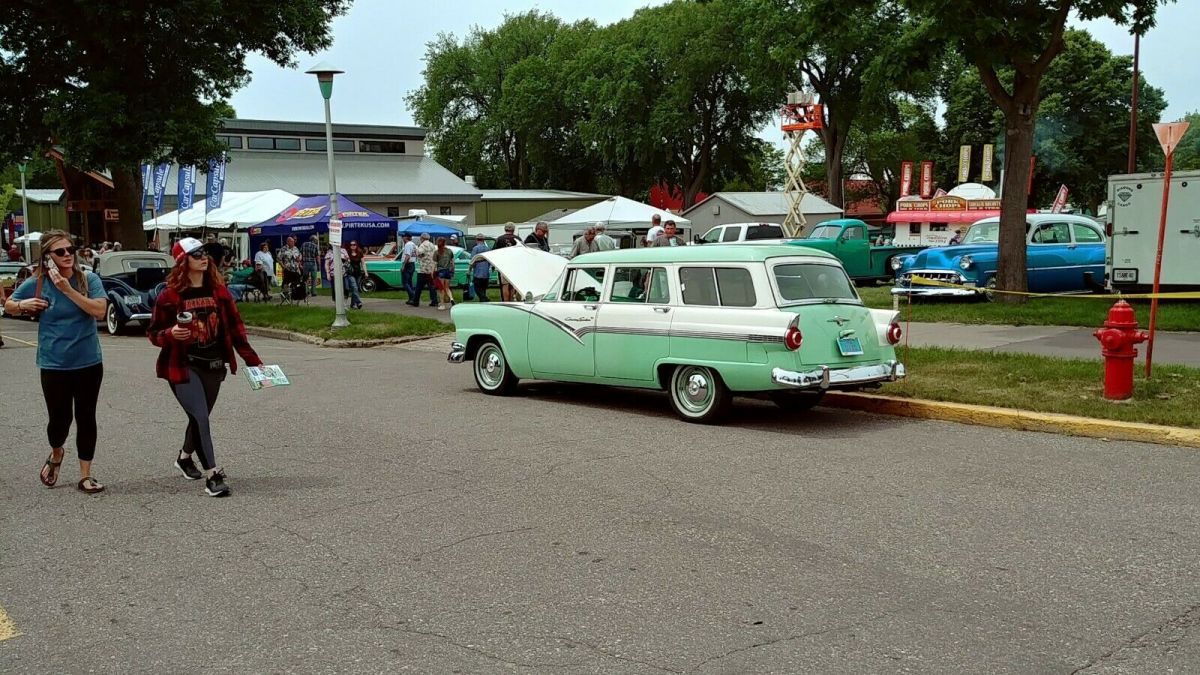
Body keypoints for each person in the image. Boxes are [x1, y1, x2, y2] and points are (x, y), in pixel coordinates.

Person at [148, 237, 263, 498]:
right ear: (183, 261)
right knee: (200, 416)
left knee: (198, 418)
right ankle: (212, 475)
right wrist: (170, 333)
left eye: (205, 253)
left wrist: (253, 360)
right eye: (196, 254)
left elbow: (236, 329)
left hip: (214, 365)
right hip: (182, 365)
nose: (204, 258)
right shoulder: (169, 296)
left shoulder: (219, 292)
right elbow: (153, 333)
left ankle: (184, 458)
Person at [4, 230, 109, 494]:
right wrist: (24, 304)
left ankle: (85, 475)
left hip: (88, 361)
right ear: (47, 257)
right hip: (54, 363)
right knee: (59, 420)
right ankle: (57, 452)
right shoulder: (38, 282)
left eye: (70, 250)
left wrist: (67, 289)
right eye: (60, 252)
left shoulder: (88, 279)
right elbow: (9, 305)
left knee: (86, 417)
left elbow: (99, 311)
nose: (67, 255)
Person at [492, 223, 521, 301]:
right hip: (515, 266)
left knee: (505, 285)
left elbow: (493, 252)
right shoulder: (518, 239)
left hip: (503, 265)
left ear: (505, 229)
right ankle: (511, 301)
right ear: (513, 229)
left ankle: (506, 302)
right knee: (512, 285)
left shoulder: (499, 239)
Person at [408, 233, 438, 308]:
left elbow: (419, 253)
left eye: (420, 238)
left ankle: (415, 301)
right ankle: (434, 301)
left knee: (419, 287)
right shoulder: (432, 245)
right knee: (432, 286)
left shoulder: (422, 245)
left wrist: (419, 255)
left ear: (422, 238)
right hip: (431, 269)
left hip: (424, 269)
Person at [433, 237, 456, 310]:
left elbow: (435, 264)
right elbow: (452, 262)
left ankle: (442, 305)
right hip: (448, 271)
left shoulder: (437, 252)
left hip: (440, 271)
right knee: (447, 287)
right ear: (445, 243)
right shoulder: (449, 251)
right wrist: (453, 270)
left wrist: (433, 272)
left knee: (441, 289)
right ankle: (451, 299)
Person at [469, 234, 492, 302]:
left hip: (478, 272)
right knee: (483, 289)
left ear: (476, 240)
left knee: (477, 289)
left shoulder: (475, 248)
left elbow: (472, 260)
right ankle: (483, 301)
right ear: (483, 240)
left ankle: (485, 298)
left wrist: (469, 270)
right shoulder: (487, 248)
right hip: (486, 273)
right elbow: (489, 261)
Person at [345, 241, 365, 310]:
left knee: (355, 289)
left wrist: (365, 272)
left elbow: (363, 263)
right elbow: (345, 262)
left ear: (356, 245)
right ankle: (359, 302)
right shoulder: (347, 252)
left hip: (358, 273)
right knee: (354, 287)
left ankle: (353, 304)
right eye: (351, 245)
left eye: (354, 244)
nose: (352, 246)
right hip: (350, 273)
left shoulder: (360, 252)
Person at [399, 233, 417, 303]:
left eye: (403, 237)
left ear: (405, 237)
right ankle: (411, 299)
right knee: (409, 282)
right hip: (412, 264)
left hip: (407, 264)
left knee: (405, 283)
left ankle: (413, 296)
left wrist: (403, 265)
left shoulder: (407, 244)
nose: (402, 238)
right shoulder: (413, 244)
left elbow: (407, 256)